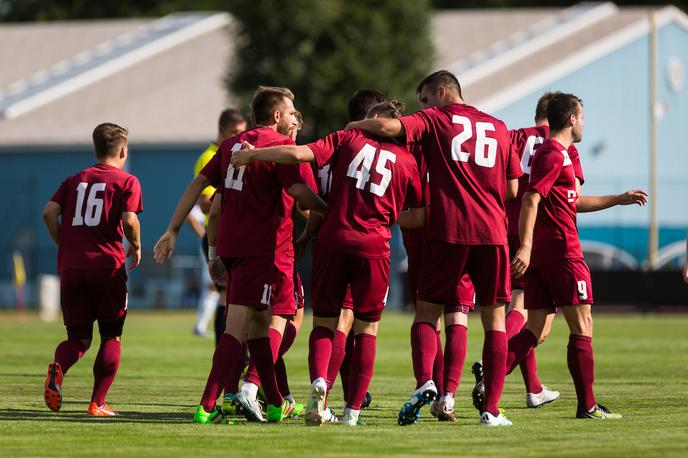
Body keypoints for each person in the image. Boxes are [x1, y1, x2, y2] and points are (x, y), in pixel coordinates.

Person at [231, 100, 425, 426]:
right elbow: (418, 215)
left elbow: (296, 154)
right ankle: (351, 413)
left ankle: (320, 382)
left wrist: (253, 155)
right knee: (367, 330)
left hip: (333, 240)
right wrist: (386, 215)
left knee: (323, 323)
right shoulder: (407, 161)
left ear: (374, 120)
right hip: (374, 247)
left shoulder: (346, 139)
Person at [347, 70, 521, 426]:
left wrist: (354, 126)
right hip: (493, 234)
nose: (422, 106)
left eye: (425, 99)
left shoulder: (435, 120)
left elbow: (390, 129)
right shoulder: (499, 126)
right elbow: (513, 190)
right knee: (494, 322)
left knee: (427, 314)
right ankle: (490, 410)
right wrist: (483, 197)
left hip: (449, 232)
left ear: (442, 93)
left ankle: (428, 382)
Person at [153, 86, 326, 425]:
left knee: (260, 328)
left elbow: (200, 189)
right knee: (242, 328)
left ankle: (275, 401)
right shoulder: (280, 147)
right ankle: (207, 406)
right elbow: (300, 194)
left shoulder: (233, 144)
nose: (294, 117)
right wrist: (329, 208)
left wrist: (174, 229)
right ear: (276, 116)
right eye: (291, 112)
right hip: (262, 250)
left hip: (233, 247)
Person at [509, 92, 647, 420]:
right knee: (582, 326)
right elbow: (530, 199)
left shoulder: (561, 155)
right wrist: (525, 246)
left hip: (547, 253)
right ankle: (587, 406)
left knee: (537, 330)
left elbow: (572, 202)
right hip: (562, 251)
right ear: (571, 119)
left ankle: (489, 376)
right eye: (582, 117)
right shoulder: (553, 154)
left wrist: (618, 198)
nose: (584, 123)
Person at [42, 123, 143, 417]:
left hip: (71, 268)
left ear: (96, 149)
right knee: (111, 336)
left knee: (78, 339)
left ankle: (58, 368)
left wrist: (64, 242)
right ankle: (97, 403)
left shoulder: (74, 180)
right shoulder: (127, 181)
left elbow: (49, 212)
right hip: (106, 267)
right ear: (123, 150)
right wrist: (136, 247)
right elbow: (129, 220)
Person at [472, 92, 562, 411]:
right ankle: (495, 365)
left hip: (502, 227)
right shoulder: (559, 146)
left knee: (523, 308)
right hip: (535, 233)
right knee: (532, 317)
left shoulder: (512, 136)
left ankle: (533, 389)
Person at [231, 110, 314, 421]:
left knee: (256, 322)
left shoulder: (235, 150)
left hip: (243, 246)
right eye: (291, 118)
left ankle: (278, 395)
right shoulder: (287, 156)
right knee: (285, 319)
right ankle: (252, 385)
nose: (293, 126)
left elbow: (216, 203)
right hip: (275, 250)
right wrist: (324, 213)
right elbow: (305, 202)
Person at [190, 109, 247, 339]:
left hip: (233, 236)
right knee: (225, 297)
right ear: (221, 130)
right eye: (235, 132)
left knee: (235, 298)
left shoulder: (235, 153)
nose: (239, 136)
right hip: (218, 236)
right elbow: (204, 204)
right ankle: (225, 356)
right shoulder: (210, 156)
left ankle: (232, 358)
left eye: (243, 132)